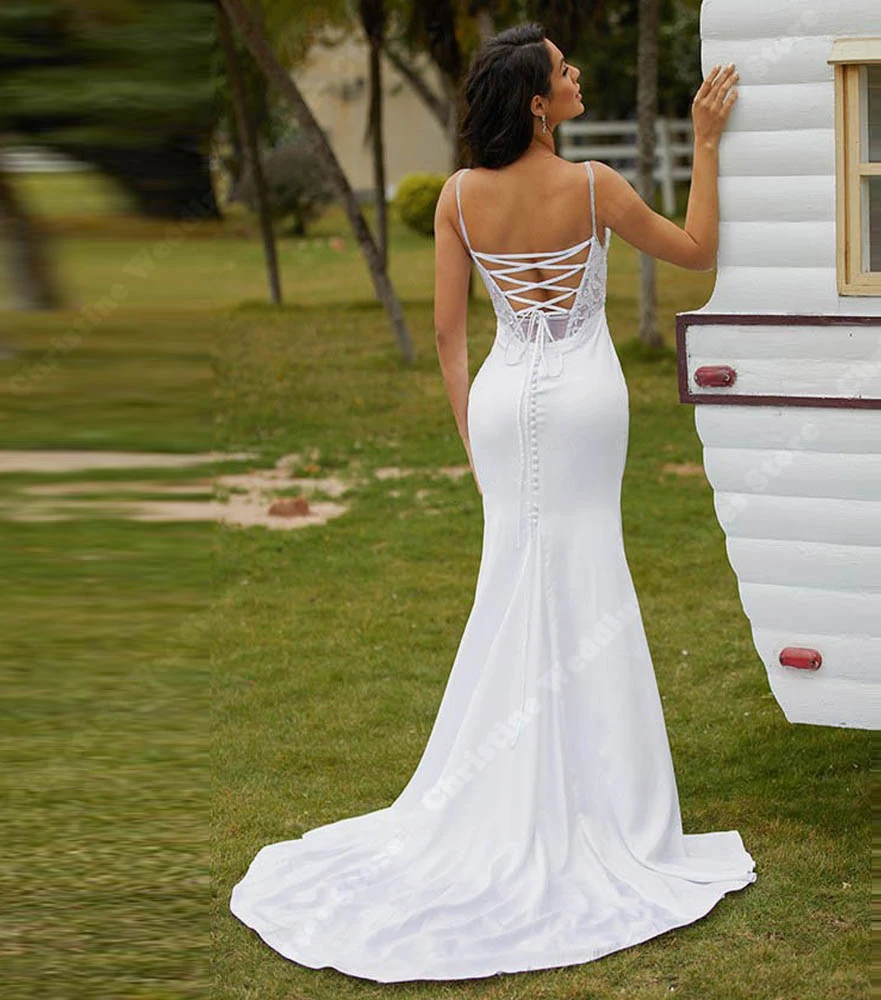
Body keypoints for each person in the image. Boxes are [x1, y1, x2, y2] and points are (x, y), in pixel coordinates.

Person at [229, 22, 749, 984]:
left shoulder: (461, 199)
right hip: (587, 403)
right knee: (589, 576)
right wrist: (705, 144)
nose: (576, 71)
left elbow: (443, 334)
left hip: (506, 405)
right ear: (540, 104)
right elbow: (698, 250)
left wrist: (476, 441)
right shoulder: (595, 188)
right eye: (562, 68)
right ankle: (611, 805)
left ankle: (505, 785)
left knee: (514, 580)